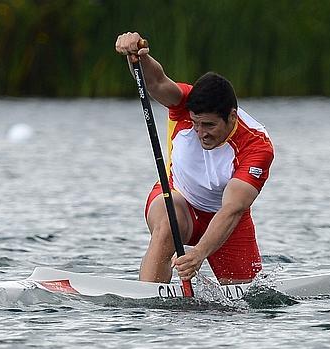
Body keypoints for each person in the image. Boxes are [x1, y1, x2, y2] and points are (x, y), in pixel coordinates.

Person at [115, 32, 274, 285]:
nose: (201, 133)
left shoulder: (257, 146)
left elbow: (233, 209)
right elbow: (156, 82)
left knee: (248, 296)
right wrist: (139, 56)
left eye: (209, 125)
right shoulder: (184, 102)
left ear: (232, 117)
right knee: (169, 222)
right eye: (196, 124)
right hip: (178, 199)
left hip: (224, 216)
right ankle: (147, 296)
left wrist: (198, 253)